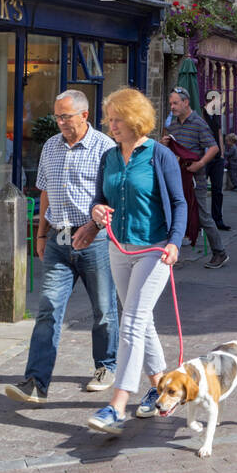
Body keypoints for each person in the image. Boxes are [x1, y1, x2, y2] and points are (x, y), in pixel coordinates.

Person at [5, 90, 118, 404]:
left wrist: (94, 227)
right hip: (57, 238)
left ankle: (106, 366)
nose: (59, 122)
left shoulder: (105, 148)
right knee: (48, 310)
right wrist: (40, 235)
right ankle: (35, 381)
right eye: (56, 116)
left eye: (65, 116)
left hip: (94, 239)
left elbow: (113, 198)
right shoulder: (50, 146)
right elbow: (44, 193)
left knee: (104, 311)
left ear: (84, 115)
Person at [85, 88, 186, 435]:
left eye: (118, 119)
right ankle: (161, 388)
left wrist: (174, 243)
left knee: (131, 321)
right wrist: (96, 211)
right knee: (142, 324)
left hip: (154, 249)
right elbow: (99, 199)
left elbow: (180, 202)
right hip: (117, 247)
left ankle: (117, 407)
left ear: (136, 121)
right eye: (109, 119)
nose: (111, 125)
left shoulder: (159, 155)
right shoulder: (109, 157)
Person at [163, 87, 228, 269]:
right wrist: (163, 144)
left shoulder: (198, 123)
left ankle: (220, 252)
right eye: (170, 103)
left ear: (186, 102)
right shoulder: (172, 125)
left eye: (175, 103)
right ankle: (169, 252)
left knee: (202, 216)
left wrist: (200, 164)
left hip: (194, 178)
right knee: (172, 214)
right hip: (176, 177)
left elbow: (213, 147)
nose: (172, 107)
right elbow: (169, 150)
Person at [205, 109, 229, 232]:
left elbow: (219, 133)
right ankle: (200, 220)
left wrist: (222, 153)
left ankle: (218, 219)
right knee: (199, 189)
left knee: (217, 190)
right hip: (204, 156)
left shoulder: (216, 115)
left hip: (217, 157)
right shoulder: (201, 113)